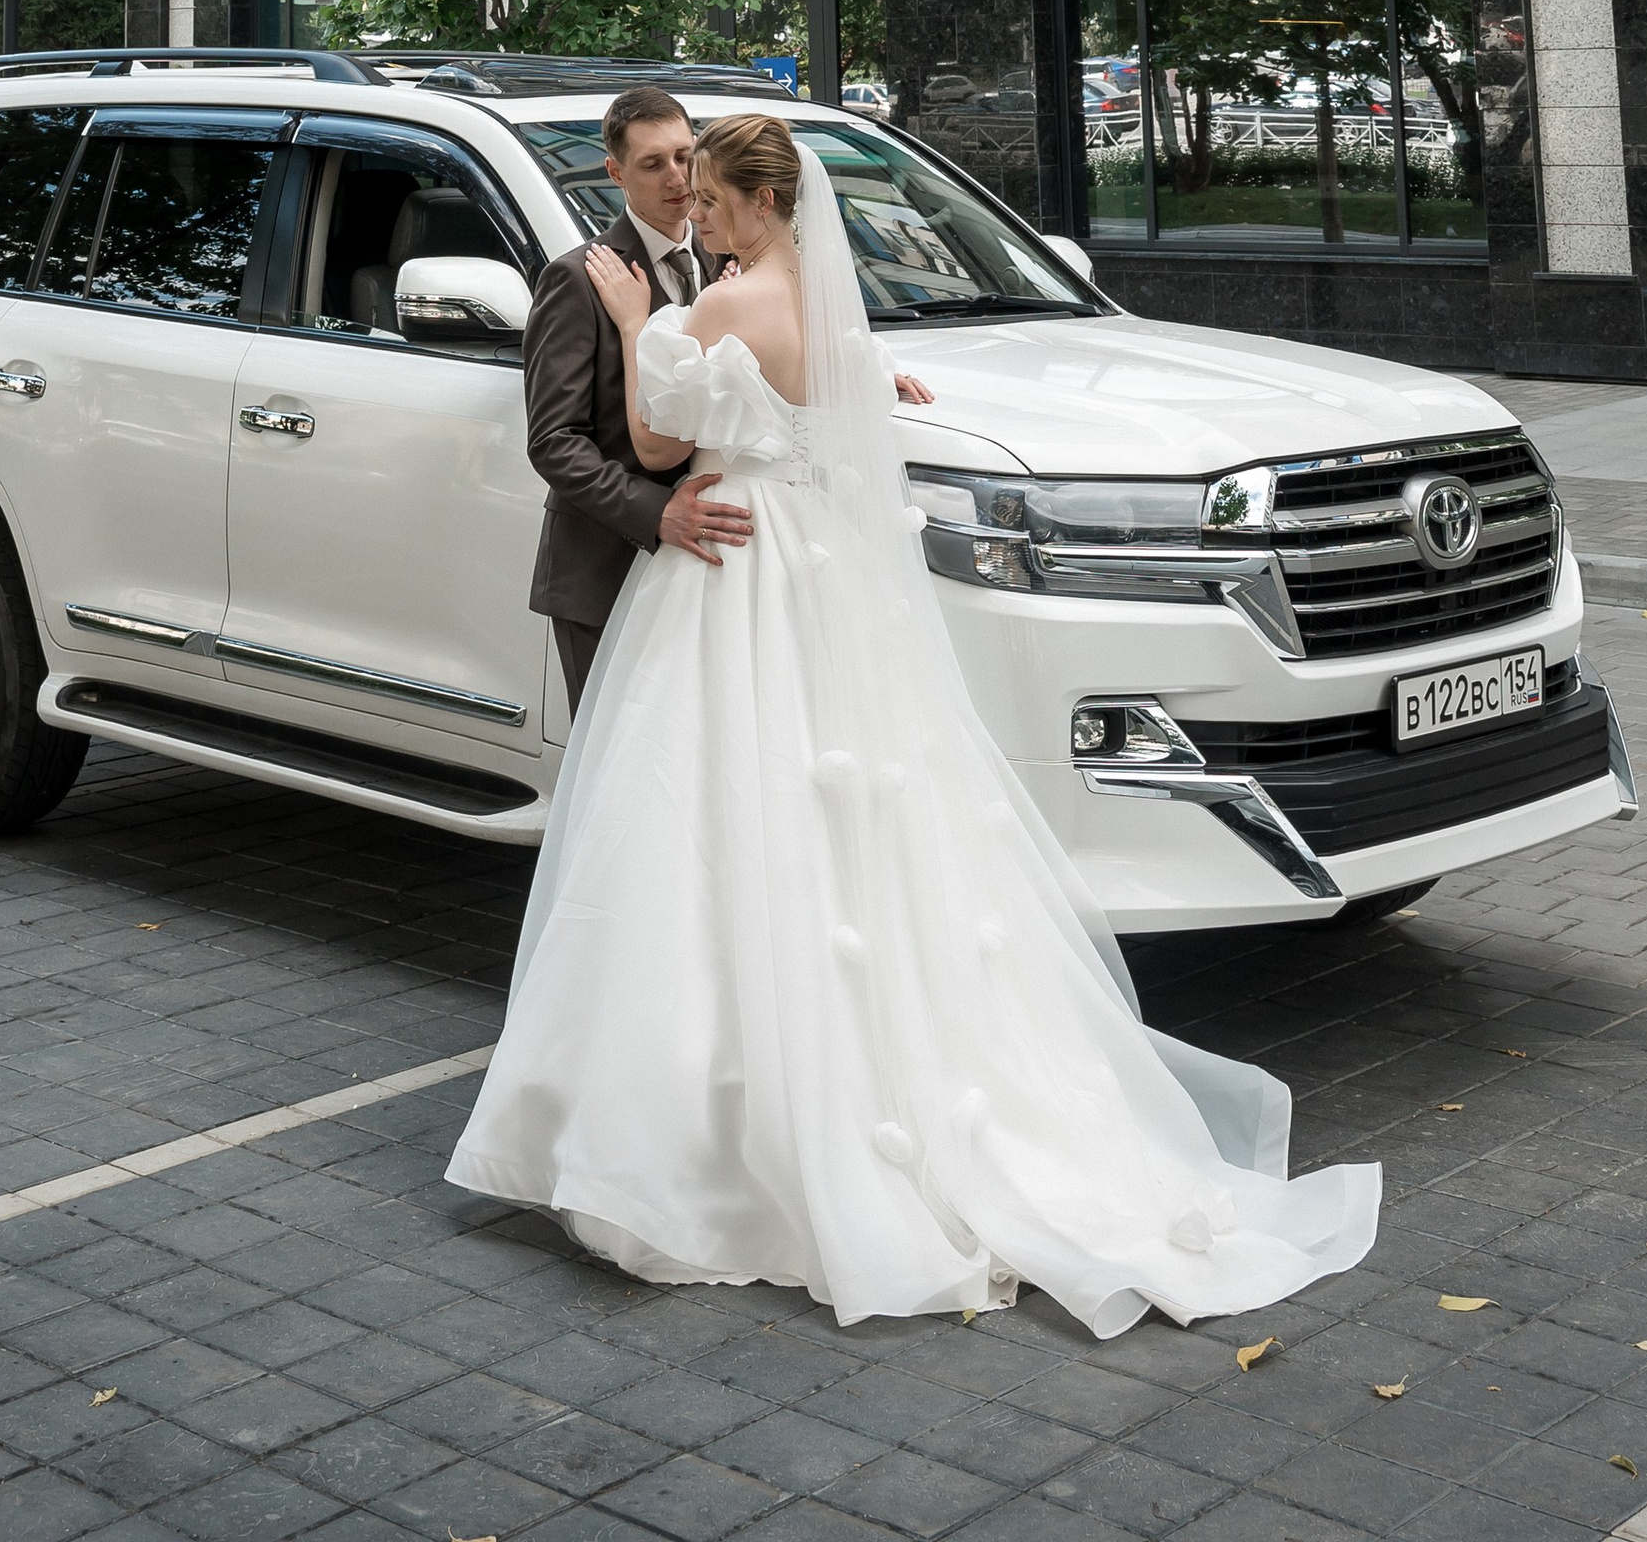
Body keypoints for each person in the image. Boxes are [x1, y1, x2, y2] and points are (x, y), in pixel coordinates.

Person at [452, 111, 1381, 1336]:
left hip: (730, 569)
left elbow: (655, 436)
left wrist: (642, 326)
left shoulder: (717, 304)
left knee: (711, 815)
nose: (700, 212)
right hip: (808, 570)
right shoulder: (834, 312)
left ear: (758, 201)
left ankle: (716, 1127)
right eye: (680, 185)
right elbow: (819, 411)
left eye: (716, 195)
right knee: (836, 814)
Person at [520, 84, 749, 716]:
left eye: (685, 155)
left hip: (716, 566)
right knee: (615, 770)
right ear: (615, 172)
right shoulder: (578, 278)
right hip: (608, 567)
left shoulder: (731, 261)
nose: (676, 177)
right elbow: (554, 442)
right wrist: (657, 514)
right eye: (652, 164)